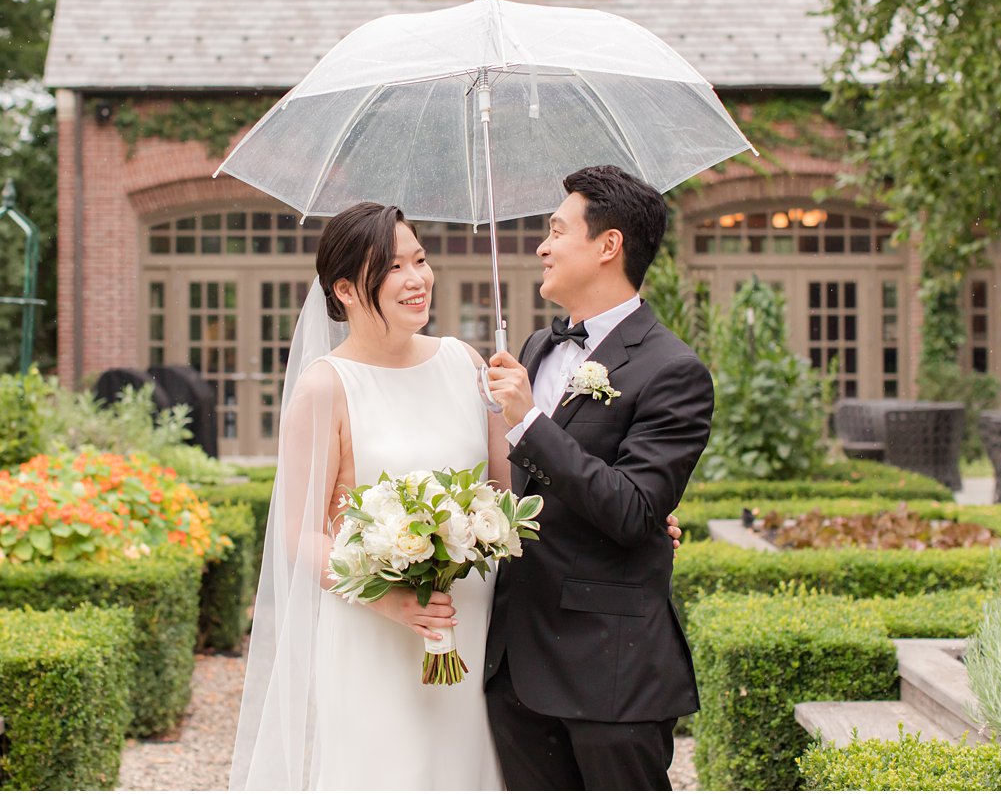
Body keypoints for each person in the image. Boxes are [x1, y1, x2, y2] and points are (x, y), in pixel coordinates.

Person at [230, 200, 684, 791]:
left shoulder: (463, 363)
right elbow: (298, 534)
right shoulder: (325, 387)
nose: (416, 279)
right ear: (343, 289)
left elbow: (512, 489)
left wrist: (639, 517)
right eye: (392, 268)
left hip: (478, 633)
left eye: (419, 259)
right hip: (379, 634)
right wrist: (390, 600)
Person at [484, 165, 714, 791]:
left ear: (608, 245)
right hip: (515, 663)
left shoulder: (673, 370)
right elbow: (529, 494)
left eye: (557, 230)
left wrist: (529, 421)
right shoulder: (534, 349)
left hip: (609, 670)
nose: (542, 245)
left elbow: (634, 509)